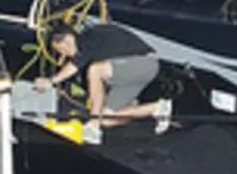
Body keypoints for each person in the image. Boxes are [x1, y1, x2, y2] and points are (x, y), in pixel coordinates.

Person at [36, 23, 171, 136]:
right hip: (128, 75)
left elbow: (75, 65)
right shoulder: (90, 48)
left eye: (61, 50)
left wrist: (51, 81)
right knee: (106, 118)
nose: (63, 55)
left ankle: (93, 127)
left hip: (144, 63)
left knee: (96, 70)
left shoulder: (89, 38)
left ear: (68, 39)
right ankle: (156, 108)